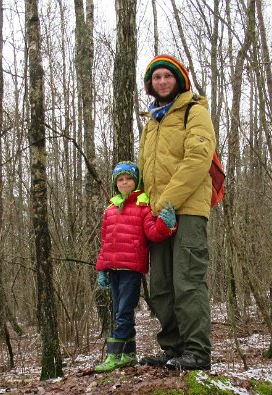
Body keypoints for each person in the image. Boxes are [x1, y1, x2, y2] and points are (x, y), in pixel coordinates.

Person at [137, 55, 216, 371]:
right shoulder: (151, 123)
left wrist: (165, 203)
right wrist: (140, 207)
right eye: (156, 77)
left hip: (188, 211)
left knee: (187, 281)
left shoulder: (194, 112)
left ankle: (197, 351)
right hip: (157, 216)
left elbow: (198, 160)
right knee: (161, 286)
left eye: (167, 76)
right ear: (150, 84)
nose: (162, 82)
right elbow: (145, 171)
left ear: (179, 80)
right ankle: (173, 348)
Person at [94, 162, 177, 373]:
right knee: (119, 312)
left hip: (131, 269)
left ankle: (114, 355)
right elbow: (105, 241)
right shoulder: (110, 209)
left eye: (129, 179)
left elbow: (153, 233)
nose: (124, 183)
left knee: (124, 311)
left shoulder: (143, 206)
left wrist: (166, 225)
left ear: (136, 181)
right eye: (120, 180)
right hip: (113, 269)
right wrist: (102, 269)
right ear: (115, 183)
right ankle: (129, 354)